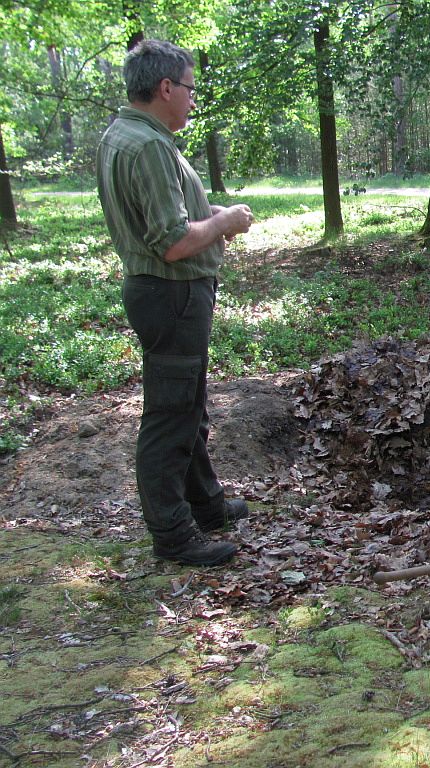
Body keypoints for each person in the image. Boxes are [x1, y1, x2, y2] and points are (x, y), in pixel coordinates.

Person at [96, 40, 254, 566]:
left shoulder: (128, 135)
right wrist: (223, 222)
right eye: (189, 88)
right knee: (171, 414)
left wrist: (207, 215)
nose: (192, 98)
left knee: (188, 405)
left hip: (167, 291)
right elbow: (172, 241)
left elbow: (164, 217)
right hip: (171, 292)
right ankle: (173, 533)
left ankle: (204, 504)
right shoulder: (147, 145)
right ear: (165, 87)